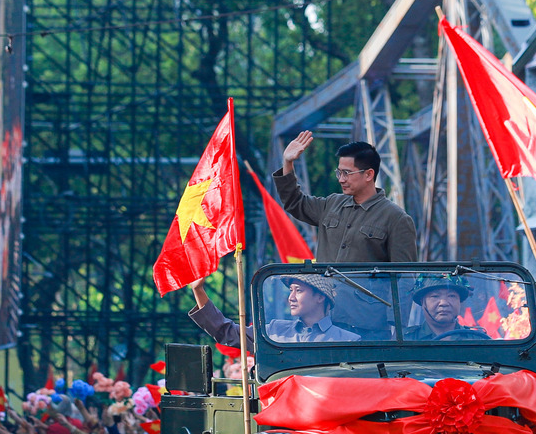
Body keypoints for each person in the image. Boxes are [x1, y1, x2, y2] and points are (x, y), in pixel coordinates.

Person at [272, 135, 417, 263]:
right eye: (339, 173)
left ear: (368, 174)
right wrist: (287, 163)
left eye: (346, 173)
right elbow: (295, 203)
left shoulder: (396, 219)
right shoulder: (331, 204)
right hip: (325, 294)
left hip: (366, 295)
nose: (341, 179)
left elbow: (403, 277)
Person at [188, 273, 360, 345]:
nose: (291, 297)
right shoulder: (275, 331)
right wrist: (198, 291)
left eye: (298, 291)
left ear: (320, 297)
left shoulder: (349, 341)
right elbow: (227, 332)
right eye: (290, 290)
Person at [405, 278, 490, 341]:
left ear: (460, 302)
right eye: (435, 296)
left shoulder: (478, 340)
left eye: (451, 296)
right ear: (423, 302)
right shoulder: (406, 339)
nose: (444, 303)